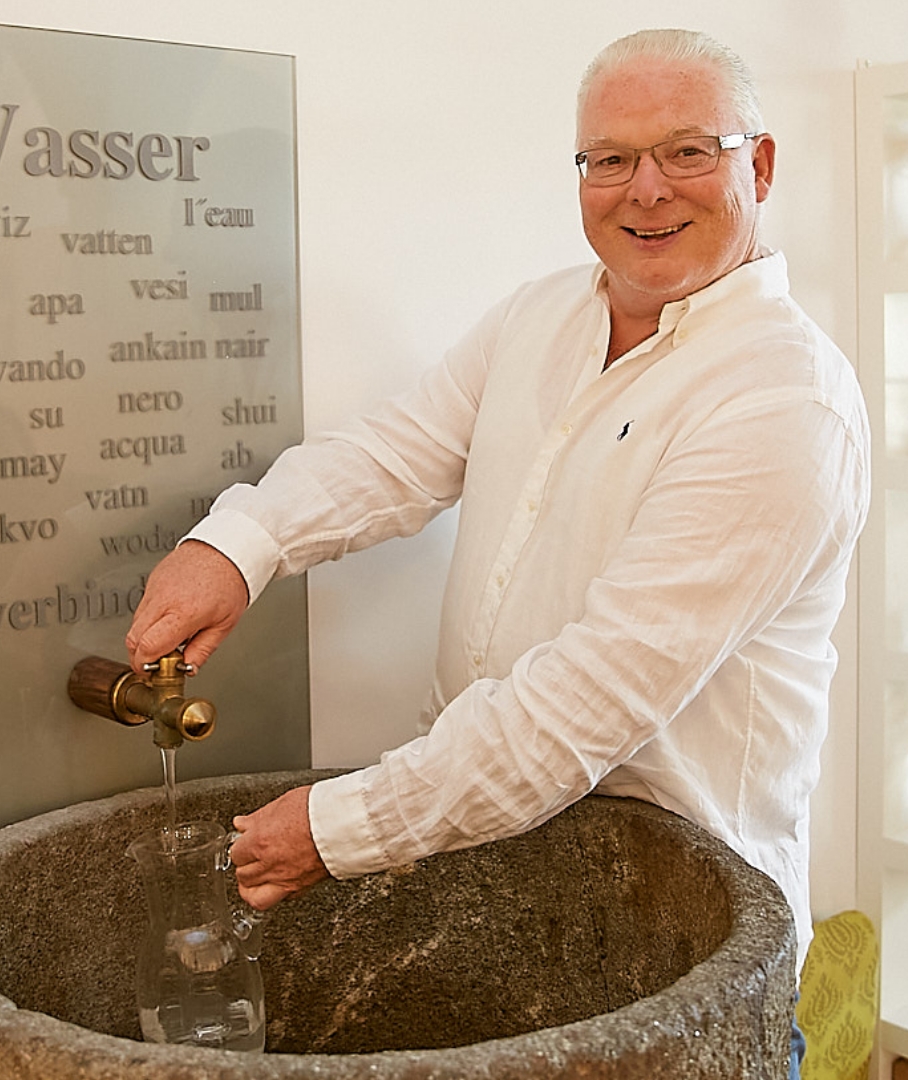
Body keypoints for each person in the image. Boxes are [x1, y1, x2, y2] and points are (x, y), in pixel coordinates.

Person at [126, 28, 868, 1077]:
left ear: (761, 165)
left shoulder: (784, 401)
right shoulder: (543, 315)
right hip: (505, 894)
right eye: (610, 158)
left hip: (679, 948)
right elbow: (399, 454)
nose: (646, 189)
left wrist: (337, 827)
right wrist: (240, 545)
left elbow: (584, 703)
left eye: (688, 151)